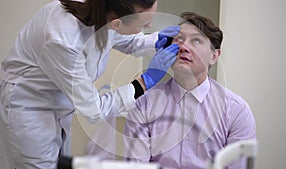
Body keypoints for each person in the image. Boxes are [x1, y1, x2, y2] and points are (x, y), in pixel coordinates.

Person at [0, 0, 181, 168]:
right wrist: (143, 83)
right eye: (144, 24)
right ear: (116, 22)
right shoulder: (64, 39)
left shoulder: (107, 8)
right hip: (29, 105)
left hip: (60, 102)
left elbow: (126, 39)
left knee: (59, 162)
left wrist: (155, 41)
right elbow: (94, 110)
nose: (149, 27)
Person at [123, 12, 256, 169]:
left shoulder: (236, 111)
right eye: (179, 39)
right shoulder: (144, 105)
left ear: (214, 55)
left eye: (196, 41)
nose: (184, 47)